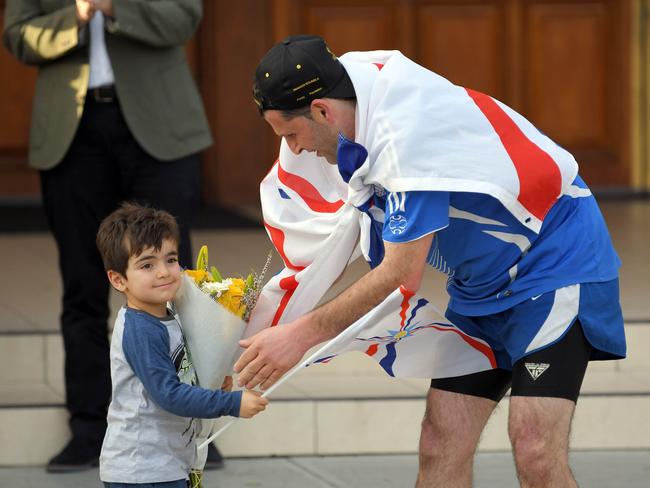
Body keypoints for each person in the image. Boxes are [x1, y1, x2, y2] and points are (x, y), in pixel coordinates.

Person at [235, 35, 627, 487]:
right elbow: (320, 246)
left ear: (322, 110)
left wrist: (301, 335)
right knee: (440, 442)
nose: (295, 151)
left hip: (555, 263)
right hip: (481, 284)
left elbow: (401, 274)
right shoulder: (351, 93)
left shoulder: (403, 138)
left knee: (535, 449)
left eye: (291, 135)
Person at [2, 0, 228, 472]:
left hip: (159, 130)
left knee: (174, 280)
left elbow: (184, 18)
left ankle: (193, 418)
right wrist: (79, 14)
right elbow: (18, 35)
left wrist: (114, 5)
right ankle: (88, 427)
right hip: (72, 132)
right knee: (82, 282)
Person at [95, 203, 268, 487]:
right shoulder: (141, 330)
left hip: (168, 462)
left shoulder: (170, 315)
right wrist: (230, 403)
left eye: (171, 259)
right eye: (147, 265)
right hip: (142, 468)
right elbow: (168, 395)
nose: (164, 272)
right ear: (118, 279)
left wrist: (208, 383)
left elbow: (179, 375)